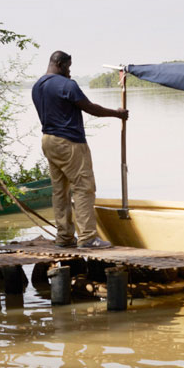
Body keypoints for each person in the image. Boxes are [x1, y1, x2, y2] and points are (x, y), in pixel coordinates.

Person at [32, 50, 128, 248]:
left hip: (48, 141)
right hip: (70, 142)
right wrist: (117, 113)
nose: (69, 71)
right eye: (68, 66)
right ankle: (87, 237)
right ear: (59, 64)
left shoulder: (37, 86)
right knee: (84, 187)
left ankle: (65, 237)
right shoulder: (67, 85)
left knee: (60, 190)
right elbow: (91, 108)